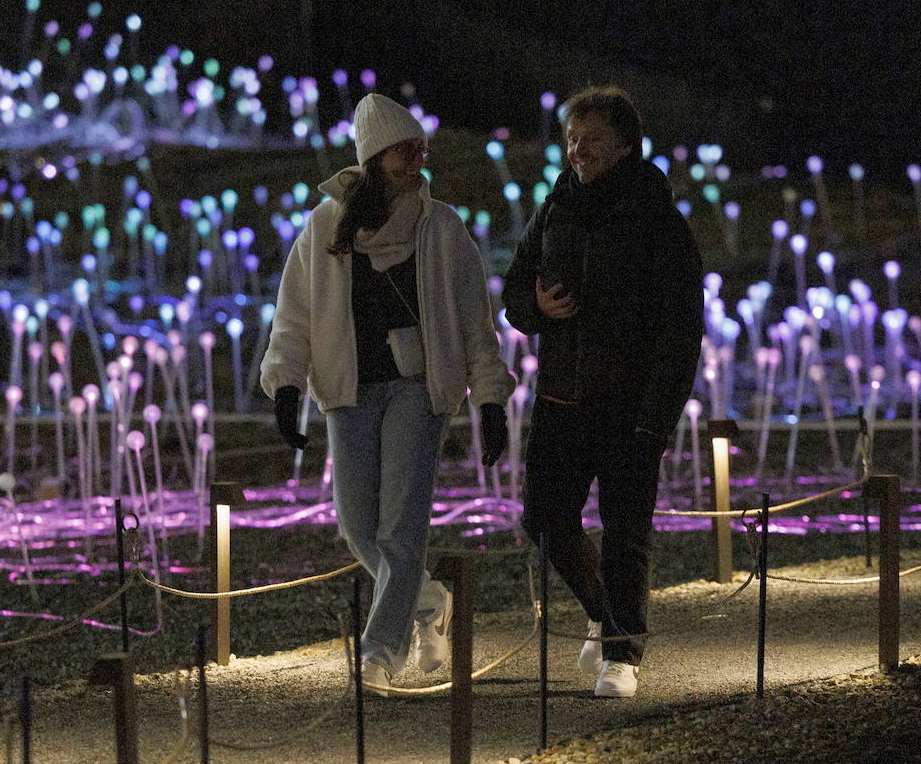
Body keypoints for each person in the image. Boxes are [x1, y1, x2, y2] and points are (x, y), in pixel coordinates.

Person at [260, 92, 515, 694]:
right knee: (356, 527)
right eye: (405, 150)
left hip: (417, 388)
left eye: (421, 150)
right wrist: (286, 385)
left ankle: (379, 652)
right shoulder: (326, 227)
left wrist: (491, 398)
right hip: (348, 388)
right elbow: (295, 314)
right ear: (375, 155)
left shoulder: (441, 227)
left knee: (401, 528)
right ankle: (429, 604)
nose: (416, 161)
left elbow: (474, 321)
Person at [502, 86, 703, 698]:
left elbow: (680, 325)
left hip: (629, 403)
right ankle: (604, 614)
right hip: (562, 395)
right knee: (544, 519)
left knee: (625, 532)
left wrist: (658, 417)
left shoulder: (656, 218)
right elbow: (515, 286)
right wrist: (531, 308)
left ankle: (622, 653)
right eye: (572, 137)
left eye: (590, 137)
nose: (577, 148)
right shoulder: (555, 207)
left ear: (624, 143)